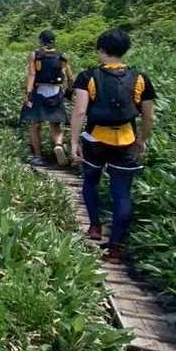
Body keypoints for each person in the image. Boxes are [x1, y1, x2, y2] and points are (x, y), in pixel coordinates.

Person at [69, 28, 156, 261]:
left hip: (95, 138)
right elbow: (148, 116)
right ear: (125, 50)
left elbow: (80, 111)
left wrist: (74, 140)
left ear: (100, 49)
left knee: (90, 180)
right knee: (122, 193)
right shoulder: (140, 78)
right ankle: (115, 247)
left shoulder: (88, 76)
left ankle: (94, 226)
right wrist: (142, 139)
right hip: (126, 138)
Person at [19, 30, 73, 166]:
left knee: (35, 124)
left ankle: (38, 156)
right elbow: (70, 77)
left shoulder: (35, 54)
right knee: (55, 124)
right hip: (56, 91)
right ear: (53, 41)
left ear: (41, 40)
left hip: (39, 91)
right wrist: (69, 92)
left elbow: (32, 74)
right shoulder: (61, 55)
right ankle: (58, 145)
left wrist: (28, 93)